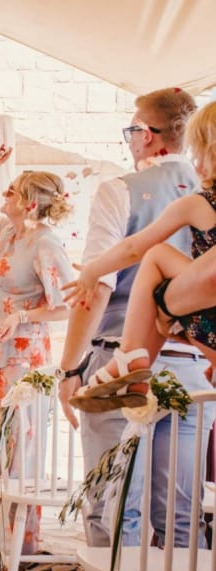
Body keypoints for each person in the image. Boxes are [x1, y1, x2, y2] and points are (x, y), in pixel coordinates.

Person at [57, 87, 211, 548]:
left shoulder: (118, 191)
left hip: (126, 365)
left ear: (145, 134)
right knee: (182, 513)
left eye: (132, 130)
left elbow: (100, 287)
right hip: (193, 367)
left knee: (113, 505)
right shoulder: (201, 190)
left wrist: (69, 367)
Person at [0, 147, 73, 554]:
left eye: (10, 191)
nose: (2, 196)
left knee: (16, 448)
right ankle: (2, 541)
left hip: (21, 360)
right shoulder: (5, 230)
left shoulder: (45, 244)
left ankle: (23, 542)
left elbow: (66, 305)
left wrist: (23, 316)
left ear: (29, 202)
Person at [66, 100, 216, 407]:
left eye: (198, 152)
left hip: (205, 321)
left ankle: (131, 356)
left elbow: (134, 247)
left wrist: (93, 270)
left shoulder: (199, 203)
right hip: (198, 344)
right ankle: (134, 360)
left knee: (158, 256)